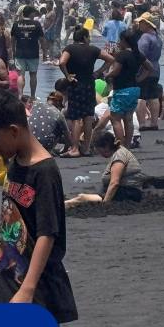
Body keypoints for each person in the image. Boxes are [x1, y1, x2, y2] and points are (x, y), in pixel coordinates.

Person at [0, 90, 78, 323]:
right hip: (8, 269)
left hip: (34, 279)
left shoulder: (44, 171)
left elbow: (47, 234)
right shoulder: (15, 162)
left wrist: (28, 288)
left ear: (14, 131)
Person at [58, 27, 114, 157]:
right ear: (84, 37)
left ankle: (75, 148)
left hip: (75, 85)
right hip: (89, 85)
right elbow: (110, 59)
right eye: (88, 37)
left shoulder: (70, 49)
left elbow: (62, 62)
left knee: (76, 118)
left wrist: (67, 75)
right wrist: (99, 72)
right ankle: (87, 148)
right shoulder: (93, 49)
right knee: (88, 117)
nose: (89, 39)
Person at [64, 132, 146, 207]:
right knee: (82, 197)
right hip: (124, 191)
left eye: (99, 150)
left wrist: (105, 203)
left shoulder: (119, 156)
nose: (99, 153)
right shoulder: (119, 152)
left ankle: (63, 205)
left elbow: (114, 183)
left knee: (82, 198)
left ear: (106, 147)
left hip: (128, 193)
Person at [103, 29, 142, 147]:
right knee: (128, 118)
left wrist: (107, 75)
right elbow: (150, 68)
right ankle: (127, 145)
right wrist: (139, 79)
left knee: (115, 119)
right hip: (134, 89)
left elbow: (116, 71)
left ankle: (121, 145)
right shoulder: (137, 54)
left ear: (124, 41)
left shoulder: (122, 54)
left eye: (120, 40)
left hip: (122, 90)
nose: (119, 42)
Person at [135, 13, 163, 130]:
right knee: (153, 95)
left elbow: (140, 55)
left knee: (141, 96)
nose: (139, 25)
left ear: (146, 24)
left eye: (141, 23)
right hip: (156, 68)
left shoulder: (145, 37)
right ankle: (154, 123)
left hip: (145, 69)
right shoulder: (157, 37)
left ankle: (141, 124)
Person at [11, 5, 44, 99]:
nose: (34, 14)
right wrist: (45, 52)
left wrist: (13, 51)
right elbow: (42, 39)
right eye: (34, 12)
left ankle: (20, 95)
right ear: (30, 13)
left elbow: (12, 39)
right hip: (33, 53)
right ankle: (33, 96)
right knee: (33, 74)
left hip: (20, 53)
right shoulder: (36, 24)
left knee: (21, 74)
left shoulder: (16, 24)